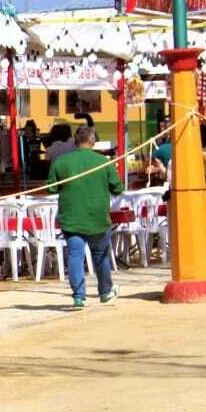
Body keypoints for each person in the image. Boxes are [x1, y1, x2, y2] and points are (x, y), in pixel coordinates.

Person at [49, 126, 121, 310]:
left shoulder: (61, 162)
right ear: (92, 141)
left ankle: (79, 297)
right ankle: (105, 292)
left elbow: (51, 187)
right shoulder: (103, 161)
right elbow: (118, 188)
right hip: (98, 217)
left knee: (75, 255)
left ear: (75, 140)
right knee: (100, 256)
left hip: (71, 216)